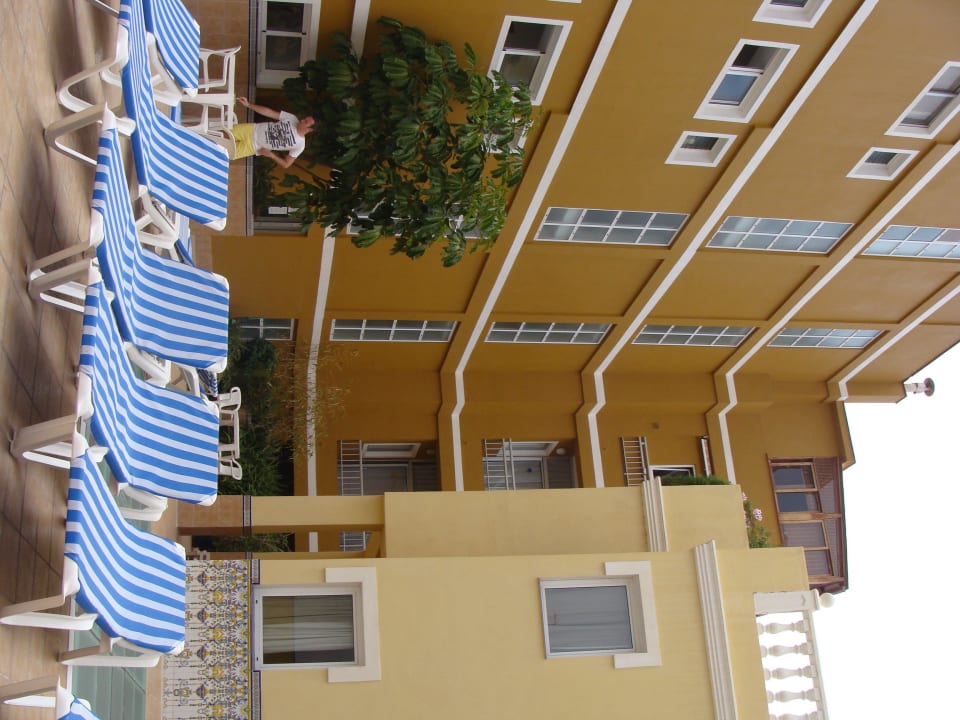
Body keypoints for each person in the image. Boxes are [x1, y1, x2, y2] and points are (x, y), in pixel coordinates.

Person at [229, 97, 316, 168]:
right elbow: (269, 112)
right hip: (250, 130)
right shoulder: (292, 118)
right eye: (304, 119)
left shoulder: (300, 145)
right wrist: (248, 105)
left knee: (225, 153)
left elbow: (286, 164)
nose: (302, 120)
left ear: (310, 129)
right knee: (221, 135)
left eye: (305, 122)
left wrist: (271, 155)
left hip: (253, 147)